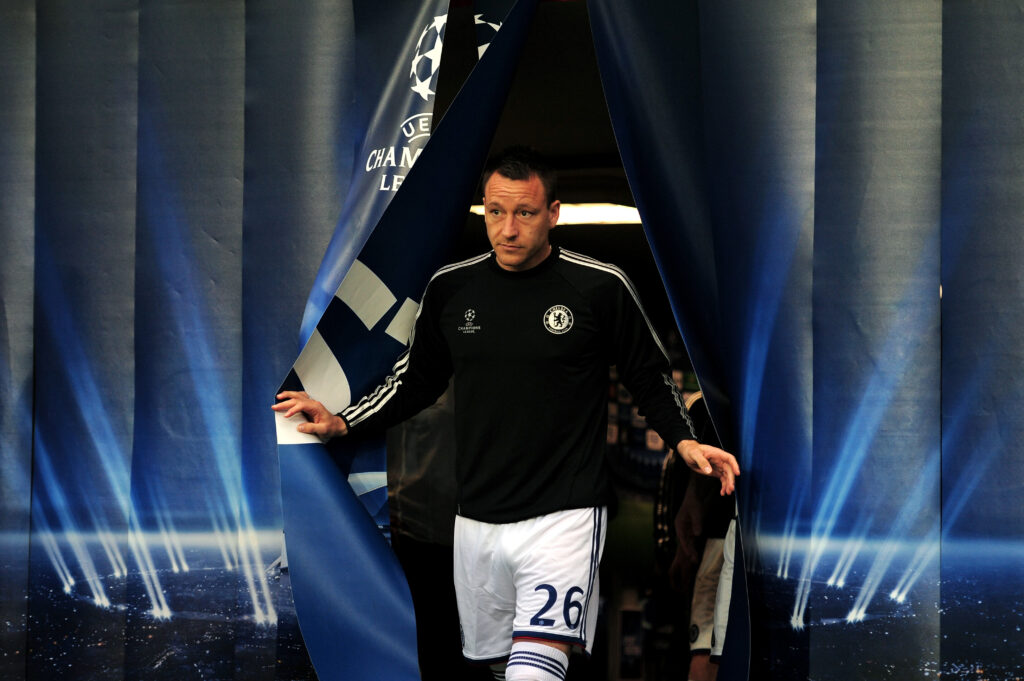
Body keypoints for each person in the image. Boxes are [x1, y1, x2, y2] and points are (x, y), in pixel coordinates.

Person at [273, 147, 739, 681]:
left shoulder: (601, 287)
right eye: (496, 211)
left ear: (553, 213)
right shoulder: (451, 288)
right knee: (499, 669)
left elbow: (649, 376)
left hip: (566, 516)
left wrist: (684, 441)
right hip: (476, 521)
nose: (508, 229)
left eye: (524, 213)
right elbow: (414, 382)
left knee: (534, 673)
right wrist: (344, 420)